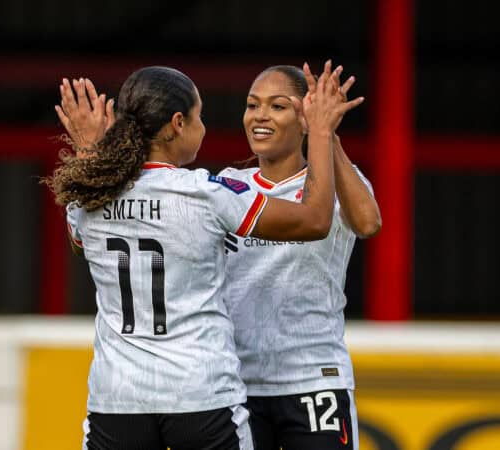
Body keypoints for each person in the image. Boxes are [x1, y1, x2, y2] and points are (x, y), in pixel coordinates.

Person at [45, 64, 363, 450]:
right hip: (200, 392)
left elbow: (80, 241)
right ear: (178, 123)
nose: (204, 128)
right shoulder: (204, 193)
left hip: (118, 397)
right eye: (200, 117)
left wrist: (90, 153)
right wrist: (323, 132)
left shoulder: (90, 197)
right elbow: (314, 220)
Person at [220, 62, 381, 450]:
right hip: (236, 383)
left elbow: (367, 222)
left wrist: (326, 134)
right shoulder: (227, 186)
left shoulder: (333, 186)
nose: (259, 116)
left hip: (314, 380)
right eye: (252, 105)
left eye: (277, 106)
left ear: (304, 117)